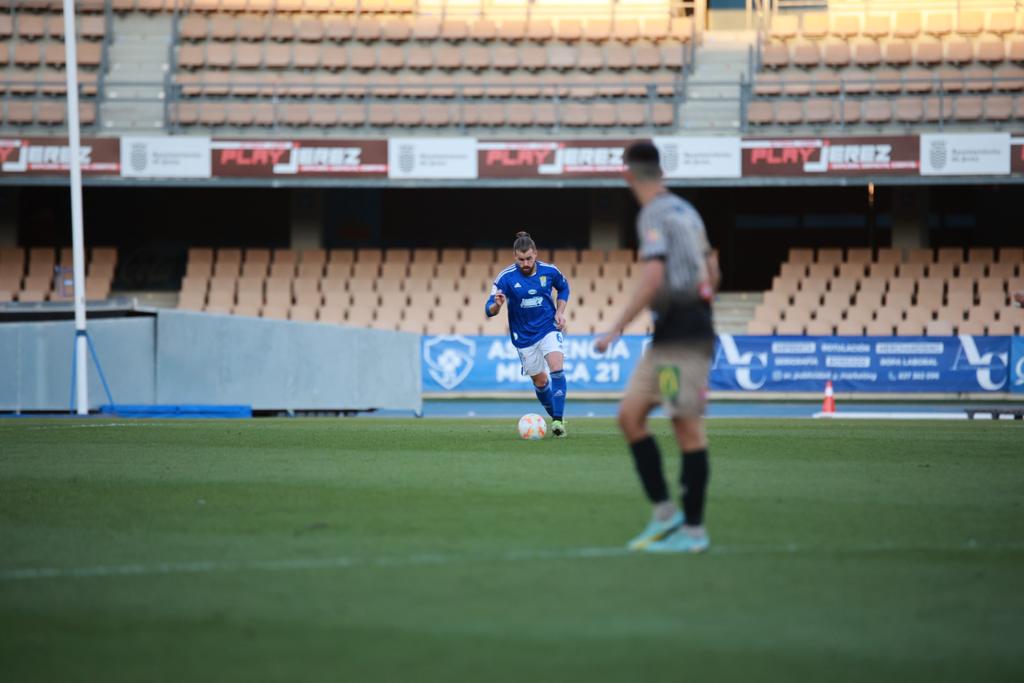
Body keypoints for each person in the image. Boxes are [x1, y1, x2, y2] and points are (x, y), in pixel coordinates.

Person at [595, 141, 719, 554]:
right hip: (672, 333)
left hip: (683, 335)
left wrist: (614, 328)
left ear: (626, 173)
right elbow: (712, 268)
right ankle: (666, 513)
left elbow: (652, 277)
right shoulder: (687, 211)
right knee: (630, 416)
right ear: (660, 171)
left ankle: (695, 532)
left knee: (686, 428)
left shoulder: (653, 214)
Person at [486, 232, 571, 437]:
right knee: (540, 382)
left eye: (529, 258)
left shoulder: (549, 271)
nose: (525, 263)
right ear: (515, 257)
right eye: (521, 259)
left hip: (548, 328)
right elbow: (488, 309)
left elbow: (564, 288)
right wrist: (496, 306)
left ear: (536, 254)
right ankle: (554, 416)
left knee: (557, 367)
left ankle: (558, 421)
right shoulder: (505, 278)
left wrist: (560, 312)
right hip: (523, 337)